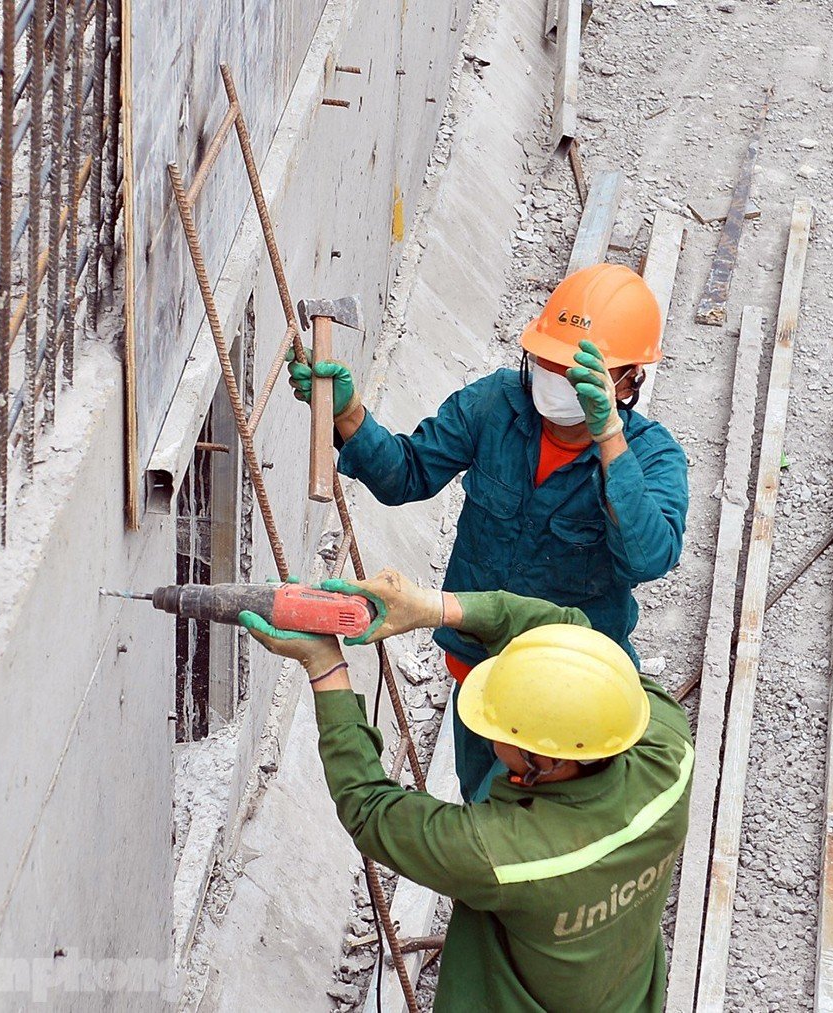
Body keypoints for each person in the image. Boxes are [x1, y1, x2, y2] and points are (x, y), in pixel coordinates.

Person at [288, 263, 687, 801]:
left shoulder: (652, 456)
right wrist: (349, 415)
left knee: (539, 832)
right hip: (479, 672)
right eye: (547, 358)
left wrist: (609, 437)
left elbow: (648, 558)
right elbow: (407, 474)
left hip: (572, 693)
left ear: (628, 379)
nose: (554, 376)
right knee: (481, 805)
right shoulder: (495, 405)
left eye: (577, 370)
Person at [242, 569, 693, 1013]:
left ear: (546, 762)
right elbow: (569, 635)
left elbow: (370, 809)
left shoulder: (502, 853)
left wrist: (325, 667)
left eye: (499, 730)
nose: (490, 733)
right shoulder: (668, 746)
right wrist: (430, 607)